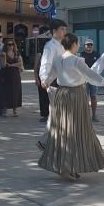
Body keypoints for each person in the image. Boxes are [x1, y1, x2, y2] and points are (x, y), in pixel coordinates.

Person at [38, 33, 104, 181]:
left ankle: (62, 165)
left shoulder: (58, 59)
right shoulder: (77, 61)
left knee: (62, 130)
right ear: (74, 44)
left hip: (62, 95)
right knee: (76, 131)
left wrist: (45, 82)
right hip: (76, 96)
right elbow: (91, 76)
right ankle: (69, 167)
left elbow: (50, 77)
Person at [37, 19, 68, 150]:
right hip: (54, 83)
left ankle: (47, 141)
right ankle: (46, 141)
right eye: (62, 29)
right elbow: (45, 63)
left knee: (57, 113)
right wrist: (44, 79)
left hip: (63, 82)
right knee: (57, 113)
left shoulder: (62, 45)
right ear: (54, 31)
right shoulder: (50, 46)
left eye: (65, 29)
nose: (64, 31)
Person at [0, 40, 23, 116]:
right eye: (9, 44)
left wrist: (11, 65)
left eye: (12, 44)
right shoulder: (3, 54)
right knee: (5, 92)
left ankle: (15, 109)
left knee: (15, 91)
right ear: (6, 45)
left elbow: (20, 64)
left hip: (15, 75)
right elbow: (3, 65)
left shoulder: (17, 53)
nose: (11, 46)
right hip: (5, 75)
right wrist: (5, 56)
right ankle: (4, 109)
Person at [80, 40, 100, 122]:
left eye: (91, 45)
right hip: (84, 79)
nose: (89, 46)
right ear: (84, 46)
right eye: (87, 45)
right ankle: (86, 115)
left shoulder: (97, 54)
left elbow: (100, 66)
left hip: (93, 79)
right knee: (85, 98)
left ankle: (94, 115)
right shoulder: (81, 55)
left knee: (93, 96)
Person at [33, 52, 49, 124]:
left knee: (52, 97)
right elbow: (36, 68)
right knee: (43, 97)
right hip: (42, 77)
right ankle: (45, 115)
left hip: (52, 77)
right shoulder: (39, 55)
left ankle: (53, 114)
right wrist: (36, 79)